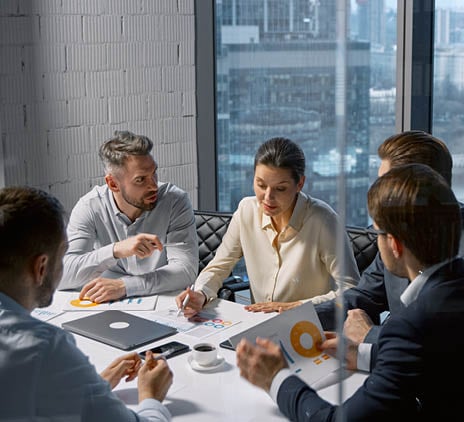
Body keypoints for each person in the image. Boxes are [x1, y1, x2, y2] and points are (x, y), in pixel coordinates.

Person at [236, 163, 464, 420]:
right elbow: (436, 360)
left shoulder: (411, 325)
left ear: (395, 245)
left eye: (377, 231)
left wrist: (275, 378)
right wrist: (364, 355)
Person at [0, 186, 173, 421]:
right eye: (62, 256)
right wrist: (151, 396)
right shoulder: (43, 348)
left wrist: (90, 386)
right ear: (41, 268)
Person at [315, 130, 462, 371]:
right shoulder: (394, 236)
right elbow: (364, 297)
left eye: (387, 182)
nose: (379, 192)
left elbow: (447, 351)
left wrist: (371, 335)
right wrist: (296, 320)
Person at [176, 137, 360, 317]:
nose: (267, 197)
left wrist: (296, 306)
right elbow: (218, 267)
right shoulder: (246, 211)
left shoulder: (323, 220)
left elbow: (351, 290)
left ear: (300, 184)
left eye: (280, 189)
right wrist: (200, 294)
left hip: (308, 327)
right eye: (261, 185)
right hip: (259, 326)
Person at [59, 130, 198, 303]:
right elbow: (61, 275)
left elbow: (186, 271)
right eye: (141, 180)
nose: (154, 185)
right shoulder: (90, 206)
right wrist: (115, 250)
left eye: (154, 173)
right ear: (113, 183)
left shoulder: (175, 201)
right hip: (108, 304)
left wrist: (125, 286)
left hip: (163, 301)